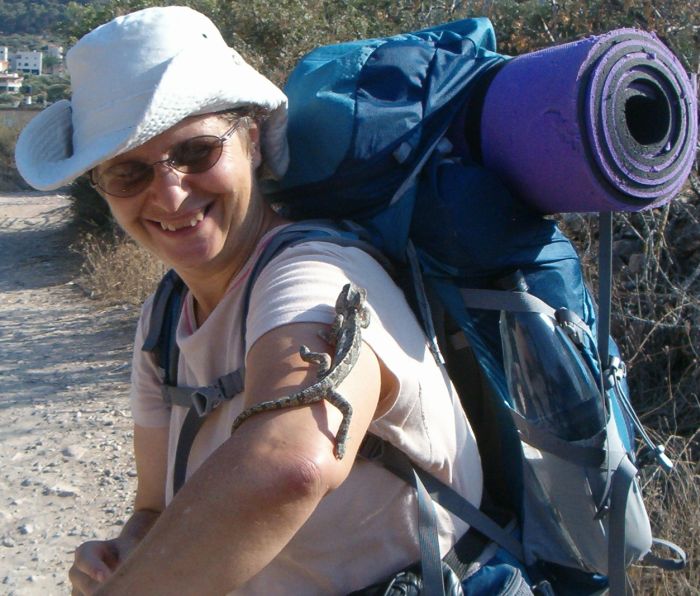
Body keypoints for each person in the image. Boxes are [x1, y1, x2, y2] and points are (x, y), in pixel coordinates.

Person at [15, 6, 483, 594]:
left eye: (196, 152)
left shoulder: (315, 279)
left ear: (254, 141)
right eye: (129, 173)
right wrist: (126, 553)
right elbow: (156, 509)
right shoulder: (164, 319)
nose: (170, 192)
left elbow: (288, 467)